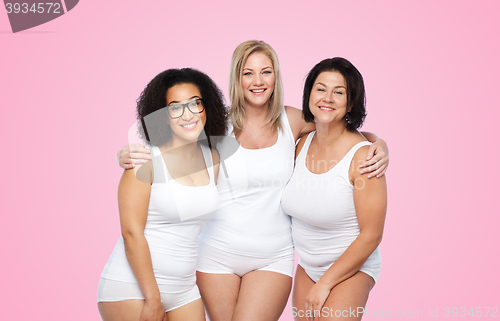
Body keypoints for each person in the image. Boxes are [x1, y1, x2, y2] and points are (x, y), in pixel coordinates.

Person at [118, 40, 389, 321]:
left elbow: (337, 129)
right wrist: (125, 153)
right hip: (215, 254)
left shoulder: (292, 120)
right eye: (248, 73)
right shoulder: (216, 122)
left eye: (266, 72)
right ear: (237, 78)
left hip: (273, 256)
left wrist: (379, 143)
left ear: (276, 76)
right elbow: (167, 142)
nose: (257, 81)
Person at [98, 68, 228, 321]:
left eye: (195, 103)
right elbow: (131, 233)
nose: (187, 114)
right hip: (132, 288)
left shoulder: (212, 157)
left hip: (184, 289)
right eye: (175, 107)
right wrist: (153, 299)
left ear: (206, 108)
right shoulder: (144, 159)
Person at [281, 57, 387, 321]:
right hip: (307, 266)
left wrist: (326, 283)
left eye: (338, 92)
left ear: (350, 103)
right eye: (320, 89)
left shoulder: (363, 158)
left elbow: (371, 235)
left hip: (352, 268)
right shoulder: (299, 144)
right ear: (309, 95)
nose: (328, 98)